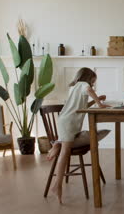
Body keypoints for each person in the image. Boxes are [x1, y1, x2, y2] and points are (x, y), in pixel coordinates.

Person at [47, 67, 111, 203]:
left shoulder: (74, 87)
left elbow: (82, 105)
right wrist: (100, 104)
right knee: (65, 152)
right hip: (70, 122)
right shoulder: (84, 85)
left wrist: (96, 100)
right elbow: (88, 89)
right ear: (88, 78)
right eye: (93, 81)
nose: (93, 85)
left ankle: (57, 145)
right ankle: (57, 186)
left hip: (66, 120)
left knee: (66, 146)